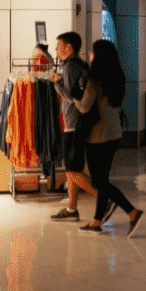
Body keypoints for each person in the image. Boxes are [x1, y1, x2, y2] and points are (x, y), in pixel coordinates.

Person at [76, 39, 144, 237]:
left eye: (91, 52)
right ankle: (97, 220)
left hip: (97, 135)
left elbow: (84, 107)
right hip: (115, 134)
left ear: (98, 56)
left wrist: (73, 97)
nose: (89, 55)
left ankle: (132, 212)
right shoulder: (118, 77)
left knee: (98, 183)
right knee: (103, 178)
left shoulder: (94, 80)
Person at [50, 32, 97, 222]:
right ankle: (72, 209)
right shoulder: (82, 65)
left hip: (73, 124)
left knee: (71, 170)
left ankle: (105, 198)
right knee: (73, 168)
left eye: (58, 46)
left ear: (68, 48)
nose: (56, 50)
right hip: (81, 123)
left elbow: (71, 96)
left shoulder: (69, 66)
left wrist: (56, 84)